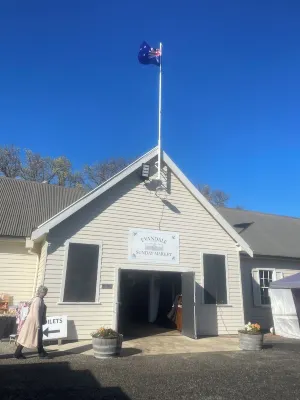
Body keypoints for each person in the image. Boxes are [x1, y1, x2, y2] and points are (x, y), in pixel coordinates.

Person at [14, 285, 50, 360]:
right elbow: (36, 312)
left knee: (33, 337)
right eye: (44, 292)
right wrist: (38, 323)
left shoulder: (39, 299)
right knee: (33, 337)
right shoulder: (38, 300)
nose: (45, 294)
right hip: (33, 321)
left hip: (34, 321)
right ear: (41, 292)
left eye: (45, 292)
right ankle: (40, 353)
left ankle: (41, 352)